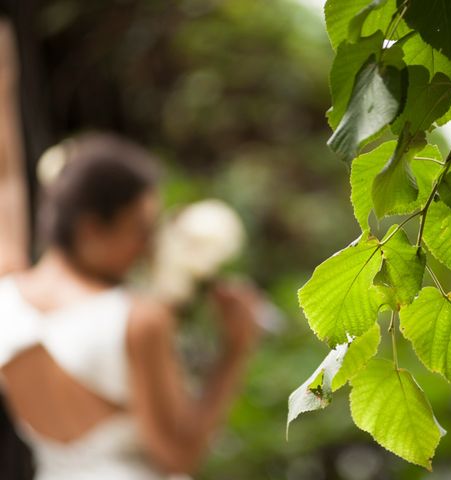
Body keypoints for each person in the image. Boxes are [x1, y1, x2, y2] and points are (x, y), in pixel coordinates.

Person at [0, 22, 262, 479]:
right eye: (140, 229)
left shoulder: (7, 293)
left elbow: (5, 182)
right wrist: (235, 351)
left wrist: (5, 88)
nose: (150, 244)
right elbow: (178, 457)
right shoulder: (138, 320)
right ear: (91, 228)